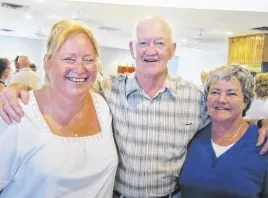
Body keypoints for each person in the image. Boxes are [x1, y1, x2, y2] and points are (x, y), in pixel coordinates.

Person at [1, 16, 268, 198]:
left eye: (159, 43)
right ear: (132, 48)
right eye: (143, 42)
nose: (150, 50)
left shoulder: (195, 98)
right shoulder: (107, 91)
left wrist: (262, 122)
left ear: (172, 50)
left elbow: (226, 113)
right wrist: (19, 89)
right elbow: (67, 87)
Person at [0, 19, 118, 198]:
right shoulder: (17, 111)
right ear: (48, 63)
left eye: (88, 59)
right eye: (69, 58)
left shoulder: (103, 106)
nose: (80, 68)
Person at [180, 65, 268, 198]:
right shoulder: (192, 136)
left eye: (231, 93)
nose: (221, 99)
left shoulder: (262, 144)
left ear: (245, 101)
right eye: (215, 92)